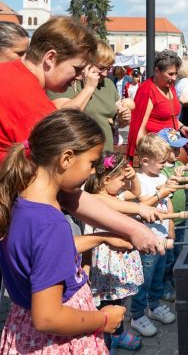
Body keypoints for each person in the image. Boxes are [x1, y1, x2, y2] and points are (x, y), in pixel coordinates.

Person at [0, 16, 164, 257]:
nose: (79, 77)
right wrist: (132, 227)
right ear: (50, 58)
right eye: (76, 69)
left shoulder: (8, 73)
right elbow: (65, 191)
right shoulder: (31, 104)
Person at [0, 110, 129, 353]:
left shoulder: (19, 201)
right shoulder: (50, 223)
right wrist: (103, 319)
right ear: (66, 158)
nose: (93, 172)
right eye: (92, 163)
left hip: (24, 331)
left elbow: (43, 255)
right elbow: (48, 317)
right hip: (56, 341)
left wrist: (101, 237)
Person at [84, 152, 144, 351]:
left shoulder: (115, 195)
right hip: (103, 265)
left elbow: (136, 193)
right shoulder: (92, 200)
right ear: (107, 179)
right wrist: (141, 210)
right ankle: (104, 341)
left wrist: (132, 176)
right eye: (120, 180)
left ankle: (118, 333)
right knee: (103, 303)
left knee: (119, 300)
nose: (123, 184)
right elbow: (114, 204)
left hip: (119, 264)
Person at [130, 133, 177, 337]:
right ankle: (137, 314)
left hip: (162, 236)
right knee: (144, 279)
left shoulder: (163, 177)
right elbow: (139, 208)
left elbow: (168, 205)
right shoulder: (137, 181)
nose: (164, 165)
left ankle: (154, 305)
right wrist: (160, 194)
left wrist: (171, 229)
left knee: (158, 275)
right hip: (147, 240)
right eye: (161, 162)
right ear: (145, 160)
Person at [49, 41, 131, 151]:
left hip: (105, 154)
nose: (105, 73)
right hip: (79, 154)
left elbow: (114, 122)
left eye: (109, 68)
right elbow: (63, 116)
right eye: (101, 68)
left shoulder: (108, 84)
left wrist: (122, 119)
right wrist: (89, 87)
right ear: (86, 62)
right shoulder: (68, 83)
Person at [126, 50, 188, 161]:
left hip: (173, 144)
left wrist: (180, 126)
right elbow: (139, 128)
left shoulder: (169, 85)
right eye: (170, 74)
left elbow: (168, 114)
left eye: (176, 73)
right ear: (157, 71)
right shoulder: (147, 90)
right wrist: (148, 159)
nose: (174, 78)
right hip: (157, 152)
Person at [158, 128, 188, 301]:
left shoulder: (179, 165)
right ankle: (163, 285)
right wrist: (175, 180)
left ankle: (175, 280)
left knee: (178, 252)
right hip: (168, 221)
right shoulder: (161, 171)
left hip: (181, 219)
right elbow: (166, 193)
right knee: (167, 257)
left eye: (179, 147)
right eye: (174, 149)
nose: (178, 151)